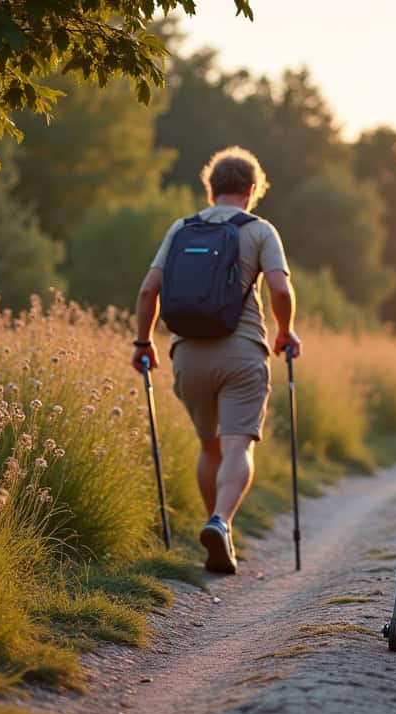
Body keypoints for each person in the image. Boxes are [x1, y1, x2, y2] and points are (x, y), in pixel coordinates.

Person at [130, 146, 301, 575]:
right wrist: (285, 330)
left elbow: (148, 290)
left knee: (210, 447)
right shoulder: (260, 231)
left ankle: (216, 532)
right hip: (241, 352)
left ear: (210, 189)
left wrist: (143, 342)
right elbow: (280, 290)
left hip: (188, 354)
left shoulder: (181, 228)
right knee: (237, 444)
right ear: (251, 190)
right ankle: (221, 521)